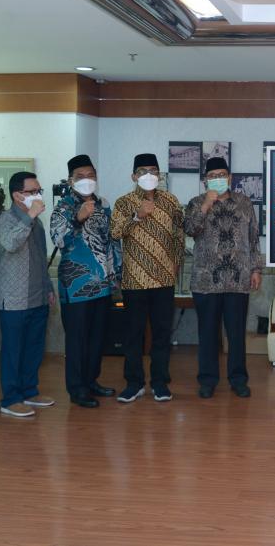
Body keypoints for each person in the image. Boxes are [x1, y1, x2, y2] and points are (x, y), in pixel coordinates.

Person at [184, 157, 263, 399]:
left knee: (236, 335)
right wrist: (206, 204)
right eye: (212, 176)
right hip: (206, 281)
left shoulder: (244, 203)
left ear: (229, 178)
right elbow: (190, 229)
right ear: (205, 180)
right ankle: (207, 380)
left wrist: (256, 269)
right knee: (208, 334)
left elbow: (253, 238)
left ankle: (238, 380)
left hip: (238, 280)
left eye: (222, 175)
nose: (218, 179)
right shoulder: (196, 202)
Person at [110, 153, 184, 403]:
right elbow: (115, 233)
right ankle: (134, 383)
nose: (149, 175)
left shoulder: (171, 201)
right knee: (133, 334)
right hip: (135, 279)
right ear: (134, 176)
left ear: (159, 175)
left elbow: (179, 235)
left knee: (162, 334)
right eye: (143, 171)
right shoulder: (124, 202)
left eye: (153, 170)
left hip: (164, 279)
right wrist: (137, 215)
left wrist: (176, 262)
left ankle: (160, 383)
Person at [50, 154, 121, 409]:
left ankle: (91, 381)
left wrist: (116, 274)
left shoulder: (103, 205)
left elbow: (112, 241)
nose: (86, 179)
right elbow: (58, 239)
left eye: (91, 175)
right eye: (80, 176)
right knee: (77, 340)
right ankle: (77, 388)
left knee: (97, 338)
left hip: (103, 284)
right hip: (76, 286)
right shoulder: (64, 207)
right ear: (71, 180)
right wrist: (77, 218)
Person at [0, 172, 56, 418]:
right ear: (17, 195)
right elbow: (11, 244)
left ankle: (30, 391)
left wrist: (48, 288)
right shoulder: (4, 219)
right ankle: (10, 399)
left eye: (39, 191)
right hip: (13, 298)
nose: (38, 195)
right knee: (13, 351)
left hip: (37, 296)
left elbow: (41, 258)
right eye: (32, 192)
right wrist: (29, 216)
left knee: (34, 348)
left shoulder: (37, 223)